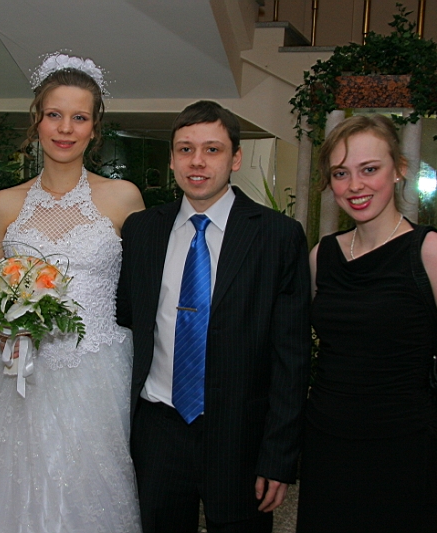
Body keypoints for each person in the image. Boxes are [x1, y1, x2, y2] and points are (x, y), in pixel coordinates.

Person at [0, 53, 145, 533]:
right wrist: (4, 323)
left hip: (98, 375)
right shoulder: (3, 204)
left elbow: (142, 292)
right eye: (54, 114)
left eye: (79, 117)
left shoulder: (124, 198)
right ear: (36, 120)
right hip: (16, 376)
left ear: (95, 128)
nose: (65, 128)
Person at [117, 100, 311, 533]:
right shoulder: (142, 230)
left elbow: (292, 357)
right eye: (185, 149)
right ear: (172, 159)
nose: (197, 161)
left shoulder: (278, 236)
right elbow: (124, 321)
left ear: (235, 158)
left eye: (212, 149)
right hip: (158, 430)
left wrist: (279, 457)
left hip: (240, 435)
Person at [295, 114, 437, 533]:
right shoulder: (321, 256)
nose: (355, 185)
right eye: (341, 173)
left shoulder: (432, 252)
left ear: (399, 169)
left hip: (403, 450)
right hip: (327, 447)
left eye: (369, 169)